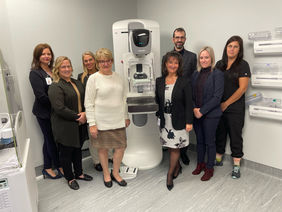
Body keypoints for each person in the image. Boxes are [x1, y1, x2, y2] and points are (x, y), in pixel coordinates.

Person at [85, 48, 130, 188]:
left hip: (118, 120)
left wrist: (126, 116)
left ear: (112, 61)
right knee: (103, 149)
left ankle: (115, 173)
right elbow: (89, 103)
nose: (105, 64)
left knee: (120, 147)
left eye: (108, 61)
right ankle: (106, 174)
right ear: (98, 63)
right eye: (102, 61)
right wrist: (92, 123)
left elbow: (124, 99)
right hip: (101, 122)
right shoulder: (93, 79)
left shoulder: (119, 77)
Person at [48, 56, 93, 190]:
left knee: (77, 150)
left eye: (68, 66)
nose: (67, 69)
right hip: (65, 125)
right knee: (66, 153)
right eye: (63, 67)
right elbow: (59, 108)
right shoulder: (55, 86)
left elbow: (86, 100)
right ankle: (70, 178)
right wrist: (78, 117)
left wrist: (85, 113)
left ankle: (79, 173)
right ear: (57, 69)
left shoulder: (77, 82)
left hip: (79, 123)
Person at [155, 51, 193, 191]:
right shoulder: (159, 81)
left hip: (179, 120)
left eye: (175, 63)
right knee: (171, 147)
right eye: (170, 62)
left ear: (179, 65)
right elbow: (158, 100)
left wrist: (189, 121)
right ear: (165, 64)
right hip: (165, 120)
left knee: (176, 147)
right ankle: (177, 166)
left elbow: (189, 103)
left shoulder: (184, 81)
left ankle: (170, 174)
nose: (173, 65)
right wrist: (158, 114)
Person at [215, 36, 251, 179]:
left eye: (235, 46)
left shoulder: (243, 65)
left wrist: (226, 104)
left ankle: (236, 166)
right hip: (218, 106)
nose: (232, 49)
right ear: (226, 47)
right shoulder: (219, 64)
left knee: (235, 136)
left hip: (235, 108)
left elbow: (242, 89)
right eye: (230, 46)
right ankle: (218, 159)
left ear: (239, 49)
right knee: (219, 133)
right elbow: (214, 85)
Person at [29, 43, 62, 179]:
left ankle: (47, 167)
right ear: (38, 56)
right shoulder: (35, 73)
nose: (46, 56)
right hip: (44, 113)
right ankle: (58, 166)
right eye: (43, 54)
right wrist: (59, 105)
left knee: (49, 140)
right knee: (50, 139)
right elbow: (41, 96)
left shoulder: (54, 70)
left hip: (56, 111)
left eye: (49, 54)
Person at [191, 46, 224, 181]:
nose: (203, 60)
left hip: (211, 114)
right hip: (196, 113)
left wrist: (202, 111)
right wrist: (194, 109)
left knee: (210, 142)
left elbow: (217, 97)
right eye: (201, 57)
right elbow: (191, 94)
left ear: (211, 58)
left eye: (206, 57)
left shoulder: (217, 74)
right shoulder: (195, 74)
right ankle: (200, 164)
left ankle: (209, 168)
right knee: (200, 141)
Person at [77, 51, 113, 172]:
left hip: (105, 110)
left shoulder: (104, 73)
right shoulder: (81, 77)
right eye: (85, 61)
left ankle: (110, 156)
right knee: (95, 137)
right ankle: (97, 161)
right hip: (91, 110)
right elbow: (83, 97)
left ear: (95, 60)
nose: (88, 63)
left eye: (90, 60)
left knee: (107, 134)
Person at [171, 27, 197, 165]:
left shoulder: (192, 57)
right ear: (173, 39)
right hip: (172, 97)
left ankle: (184, 153)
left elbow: (194, 78)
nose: (179, 40)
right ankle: (173, 153)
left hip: (186, 98)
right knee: (173, 125)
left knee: (185, 128)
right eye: (177, 37)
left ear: (185, 39)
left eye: (182, 37)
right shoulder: (168, 56)